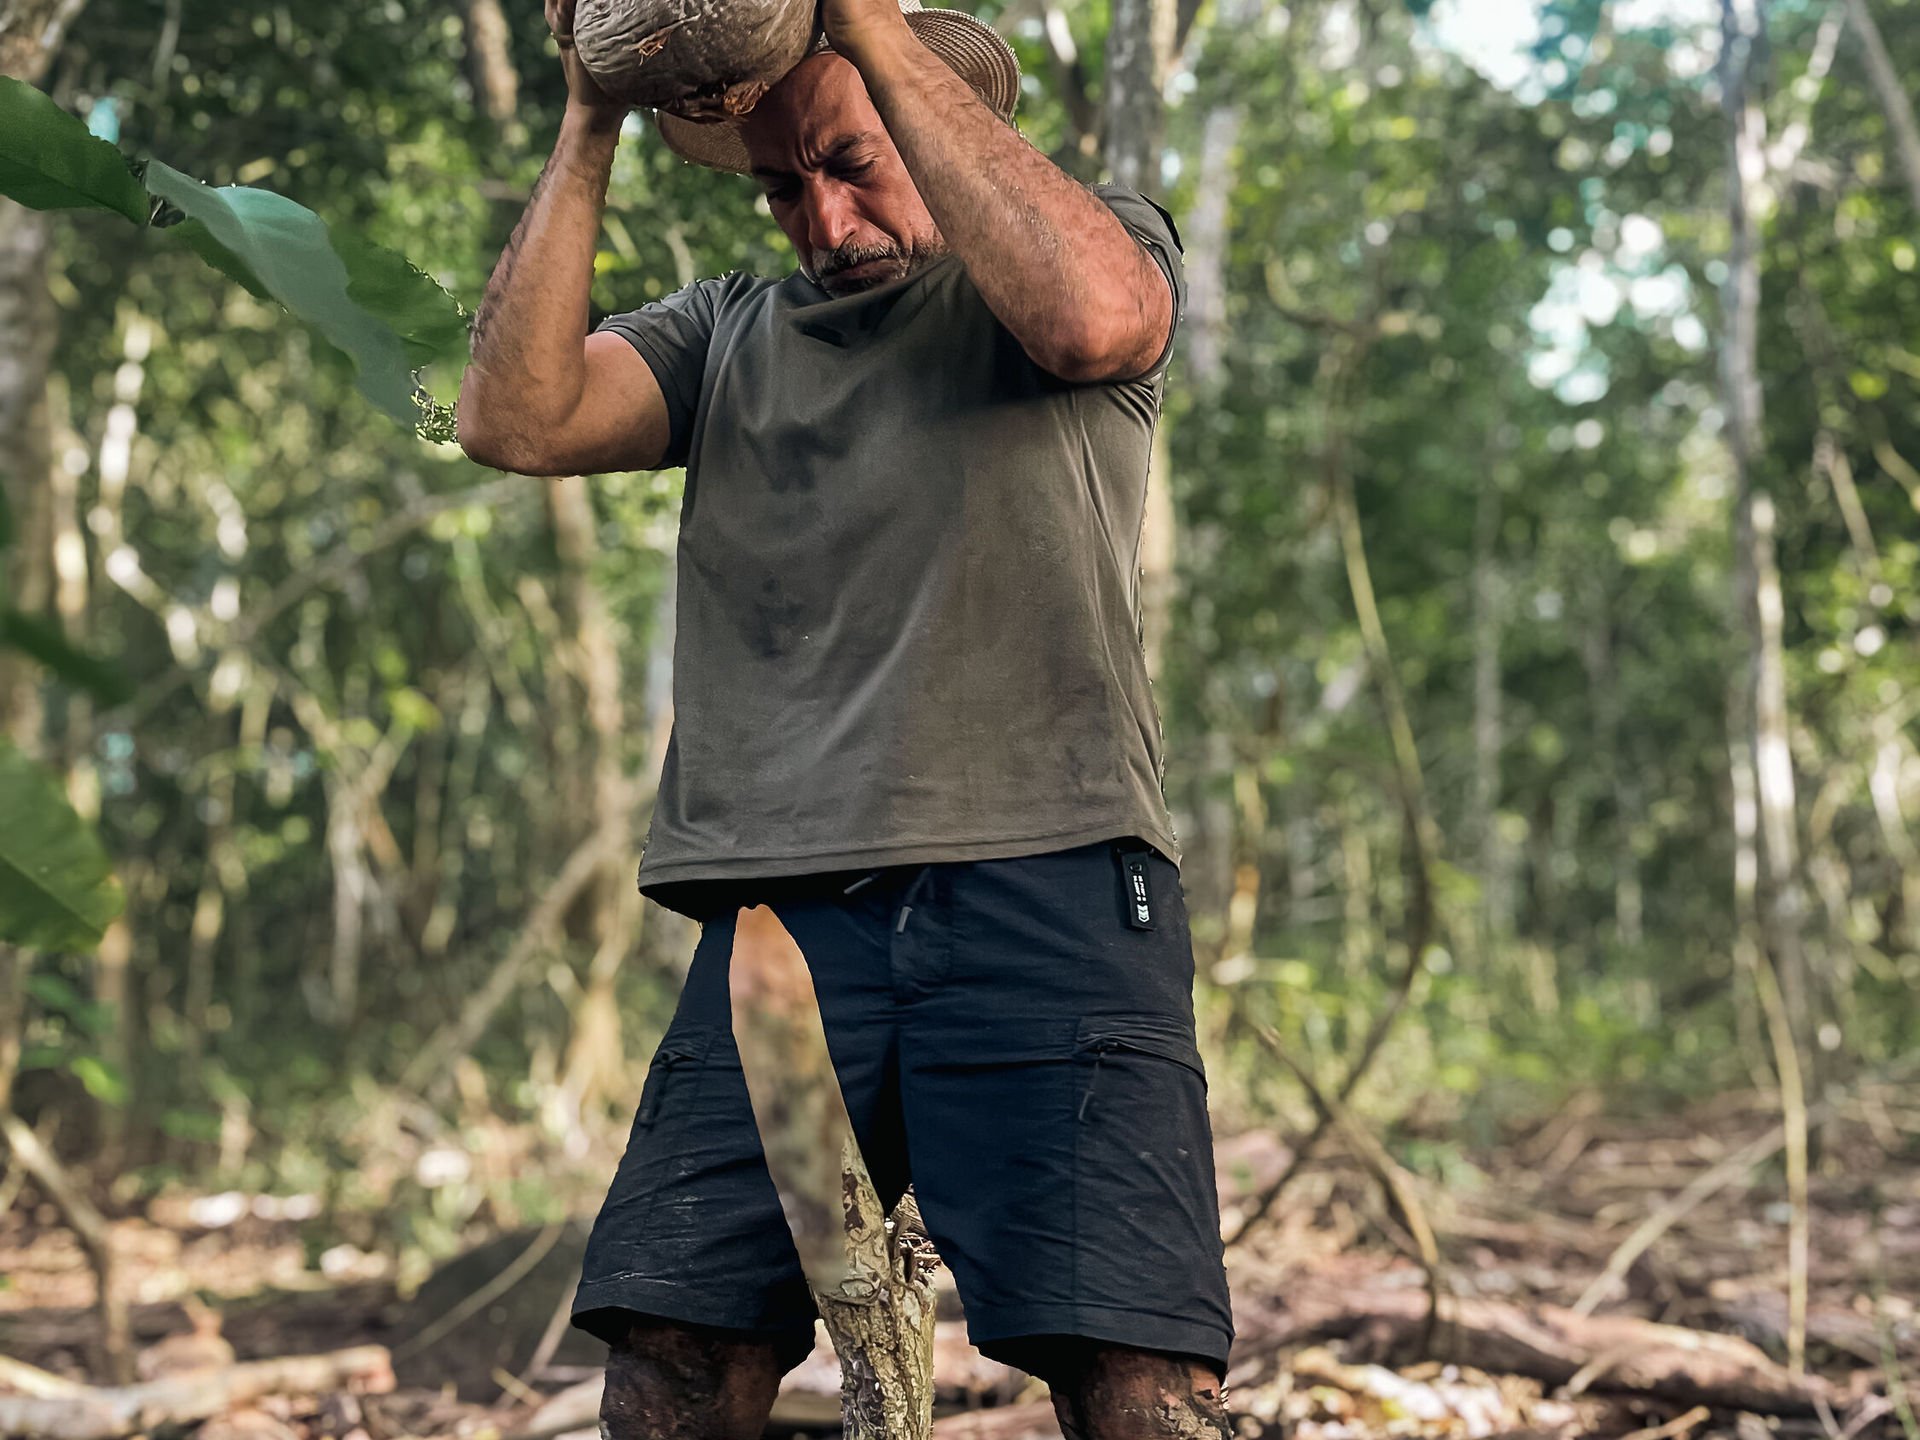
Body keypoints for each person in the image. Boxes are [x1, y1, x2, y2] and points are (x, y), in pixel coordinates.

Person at [456, 0, 1235, 1432]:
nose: (824, 215)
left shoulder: (1086, 253)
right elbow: (516, 420)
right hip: (783, 943)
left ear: (936, 122)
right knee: (678, 1357)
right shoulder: (725, 332)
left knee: (1134, 1375)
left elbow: (1097, 320)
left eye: (853, 162)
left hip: (1049, 888)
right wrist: (588, 113)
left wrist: (864, 20)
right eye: (782, 184)